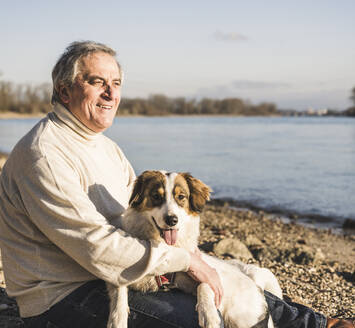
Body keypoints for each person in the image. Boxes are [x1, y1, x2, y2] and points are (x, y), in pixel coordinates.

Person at [0, 41, 352, 328]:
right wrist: (187, 260)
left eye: (116, 84)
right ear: (64, 91)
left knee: (228, 279)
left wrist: (193, 258)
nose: (110, 93)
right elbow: (97, 249)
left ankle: (317, 324)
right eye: (96, 82)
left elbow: (139, 220)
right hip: (67, 296)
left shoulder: (104, 146)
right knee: (214, 318)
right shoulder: (44, 155)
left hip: (119, 275)